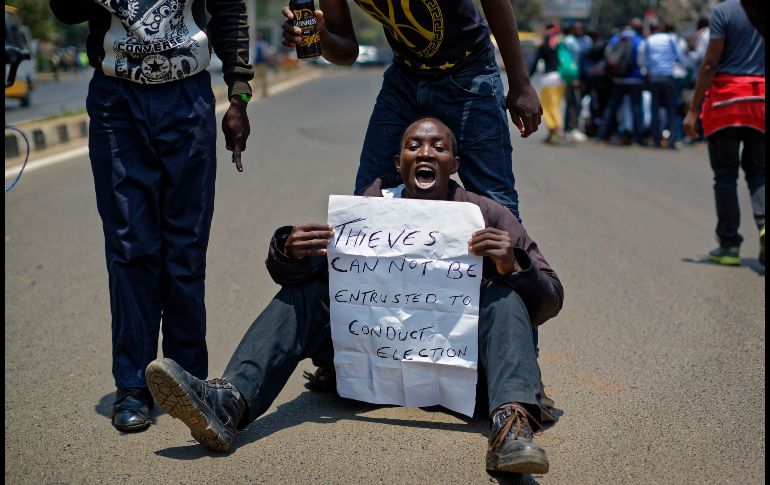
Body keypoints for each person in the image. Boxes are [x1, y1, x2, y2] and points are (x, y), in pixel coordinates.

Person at [145, 117, 564, 475]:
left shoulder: (486, 214)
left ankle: (511, 429)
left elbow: (549, 300)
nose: (425, 152)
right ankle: (230, 401)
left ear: (454, 164)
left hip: (462, 374)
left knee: (506, 299)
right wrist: (290, 252)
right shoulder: (371, 207)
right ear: (399, 162)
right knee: (306, 294)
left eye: (438, 147)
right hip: (374, 362)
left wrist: (513, 266)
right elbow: (328, 279)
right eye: (412, 145)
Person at [49, 0, 254, 432]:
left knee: (185, 249)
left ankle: (190, 380)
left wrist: (239, 95)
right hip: (116, 103)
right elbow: (65, 11)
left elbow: (230, 11)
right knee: (130, 247)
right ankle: (133, 386)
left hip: (187, 100)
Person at [282, 0, 542, 222]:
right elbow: (347, 51)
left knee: (496, 207)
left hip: (468, 73)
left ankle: (511, 279)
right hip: (405, 78)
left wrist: (520, 82)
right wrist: (322, 34)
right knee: (368, 201)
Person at [683, 0, 765, 266]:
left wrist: (693, 110)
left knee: (726, 176)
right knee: (759, 172)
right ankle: (764, 226)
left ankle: (729, 245)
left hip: (726, 101)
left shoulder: (724, 11)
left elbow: (710, 63)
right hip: (761, 100)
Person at [596, 19, 646, 146]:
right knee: (636, 108)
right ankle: (637, 139)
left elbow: (608, 56)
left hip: (618, 79)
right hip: (635, 79)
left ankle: (602, 135)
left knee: (612, 108)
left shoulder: (615, 39)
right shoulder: (639, 40)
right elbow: (641, 61)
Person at [638, 22, 685, 148]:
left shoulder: (648, 40)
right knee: (671, 110)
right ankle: (672, 139)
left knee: (655, 110)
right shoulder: (670, 39)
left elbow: (644, 61)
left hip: (654, 78)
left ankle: (656, 139)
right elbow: (680, 58)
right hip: (668, 76)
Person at [529, 22, 564, 145]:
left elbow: (535, 63)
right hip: (560, 78)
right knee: (555, 105)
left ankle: (554, 129)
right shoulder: (560, 43)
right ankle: (554, 132)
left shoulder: (544, 44)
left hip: (548, 78)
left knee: (547, 107)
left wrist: (527, 78)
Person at [560, 22, 589, 142]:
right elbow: (565, 60)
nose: (579, 30)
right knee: (573, 102)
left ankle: (570, 127)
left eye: (581, 28)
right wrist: (572, 77)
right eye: (576, 29)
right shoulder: (567, 41)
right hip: (572, 76)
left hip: (583, 76)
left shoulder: (586, 41)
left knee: (579, 103)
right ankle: (572, 127)